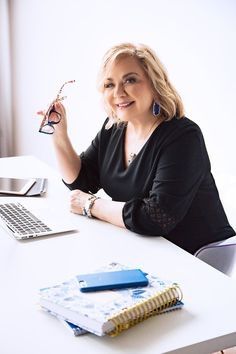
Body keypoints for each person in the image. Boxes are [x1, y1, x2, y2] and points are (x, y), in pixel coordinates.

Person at [38, 42, 235, 254]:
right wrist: (59, 135)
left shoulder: (183, 137)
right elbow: (81, 181)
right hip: (145, 246)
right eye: (109, 85)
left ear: (154, 84)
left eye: (130, 80)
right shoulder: (113, 127)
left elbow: (156, 218)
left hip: (198, 256)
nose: (118, 93)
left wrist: (91, 205)